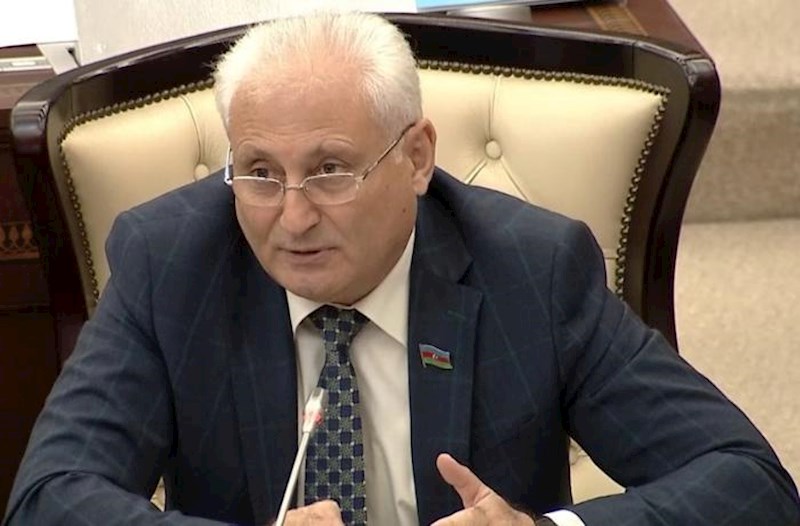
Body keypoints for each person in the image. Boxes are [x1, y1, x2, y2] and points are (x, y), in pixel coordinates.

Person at [4, 10, 800, 526]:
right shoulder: (171, 263)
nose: (293, 217)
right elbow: (47, 500)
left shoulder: (532, 267)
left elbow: (749, 484)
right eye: (260, 173)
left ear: (416, 157)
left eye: (330, 170)